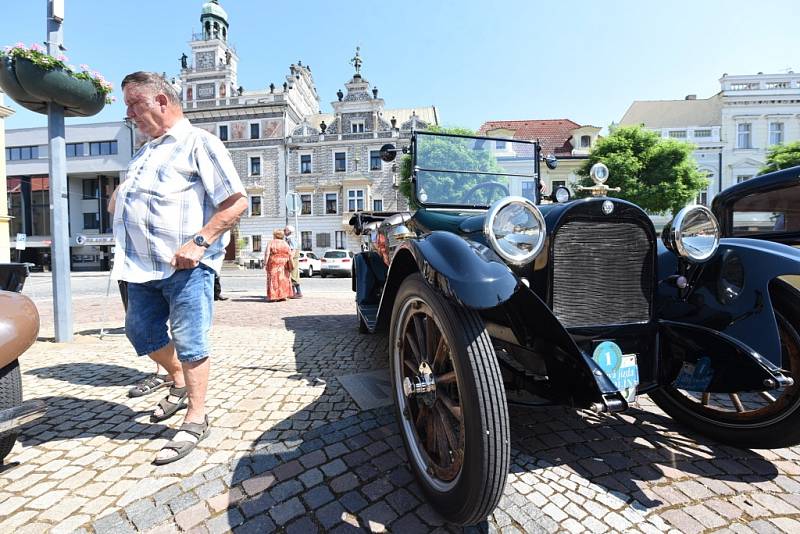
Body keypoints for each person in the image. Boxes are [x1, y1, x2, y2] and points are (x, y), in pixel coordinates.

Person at [114, 71, 247, 465]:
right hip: (141, 266)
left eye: (134, 104)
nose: (130, 114)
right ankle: (176, 381)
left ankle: (196, 416)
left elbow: (237, 202)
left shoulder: (198, 143)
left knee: (190, 340)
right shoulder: (143, 151)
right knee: (140, 331)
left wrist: (200, 241)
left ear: (160, 101)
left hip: (187, 265)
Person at [263, 228, 293, 302]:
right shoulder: (285, 243)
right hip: (284, 263)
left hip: (274, 263)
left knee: (273, 279)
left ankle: (274, 296)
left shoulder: (271, 242)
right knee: (283, 279)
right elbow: (290, 254)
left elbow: (267, 253)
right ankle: (283, 295)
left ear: (275, 235)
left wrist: (265, 263)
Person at [284, 225, 303, 299]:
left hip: (293, 259)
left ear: (289, 231)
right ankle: (293, 292)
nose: (284, 231)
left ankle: (298, 293)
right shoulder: (289, 239)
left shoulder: (291, 239)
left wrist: (290, 259)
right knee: (291, 275)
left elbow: (293, 250)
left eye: (285, 230)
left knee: (293, 275)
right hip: (292, 258)